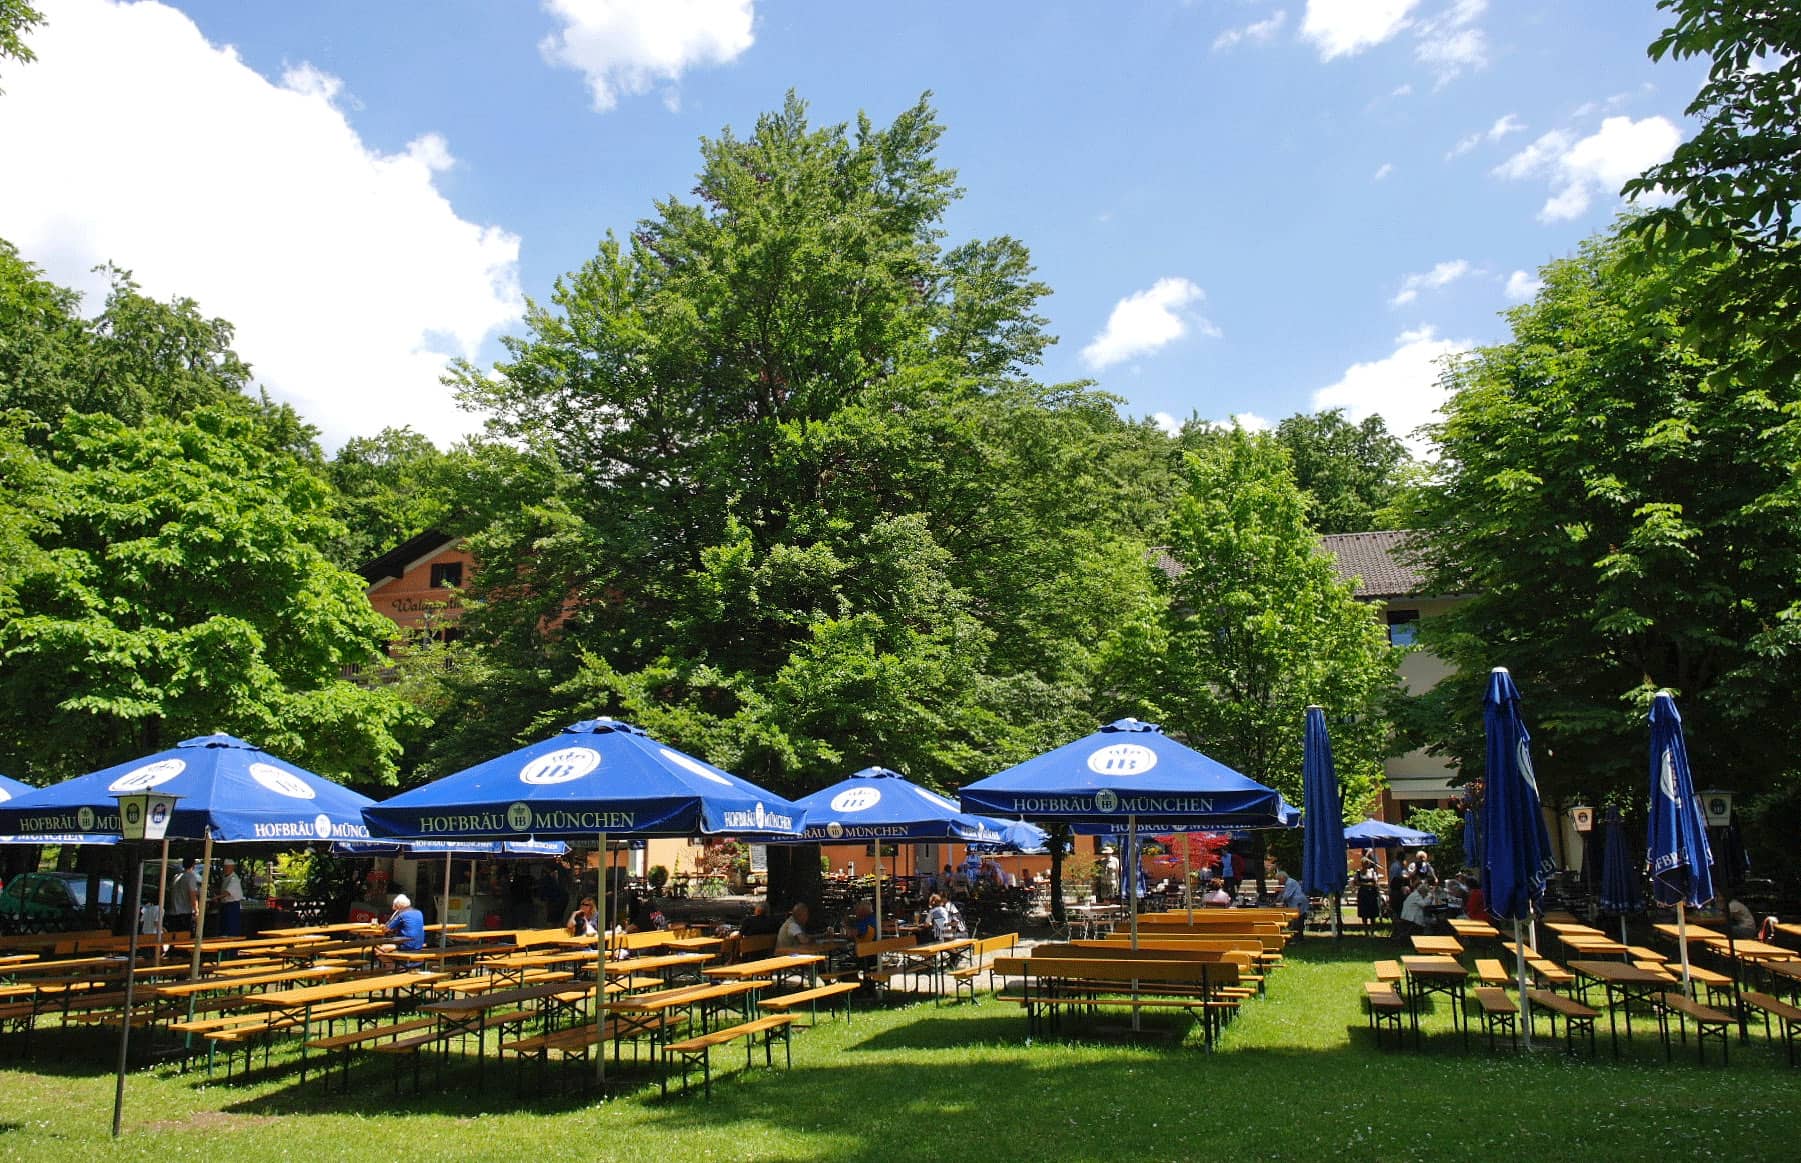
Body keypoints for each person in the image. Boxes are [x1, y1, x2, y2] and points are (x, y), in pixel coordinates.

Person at [167, 857, 199, 936]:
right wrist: (196, 910)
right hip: (185, 913)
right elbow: (192, 895)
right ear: (193, 865)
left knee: (174, 937)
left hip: (173, 912)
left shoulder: (176, 876)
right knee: (185, 936)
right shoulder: (191, 877)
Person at [216, 858, 245, 937]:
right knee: (224, 928)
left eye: (228, 867)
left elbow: (227, 892)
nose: (226, 869)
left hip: (232, 906)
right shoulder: (225, 877)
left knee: (231, 929)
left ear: (232, 868)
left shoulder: (234, 879)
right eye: (225, 867)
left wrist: (216, 897)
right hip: (225, 905)